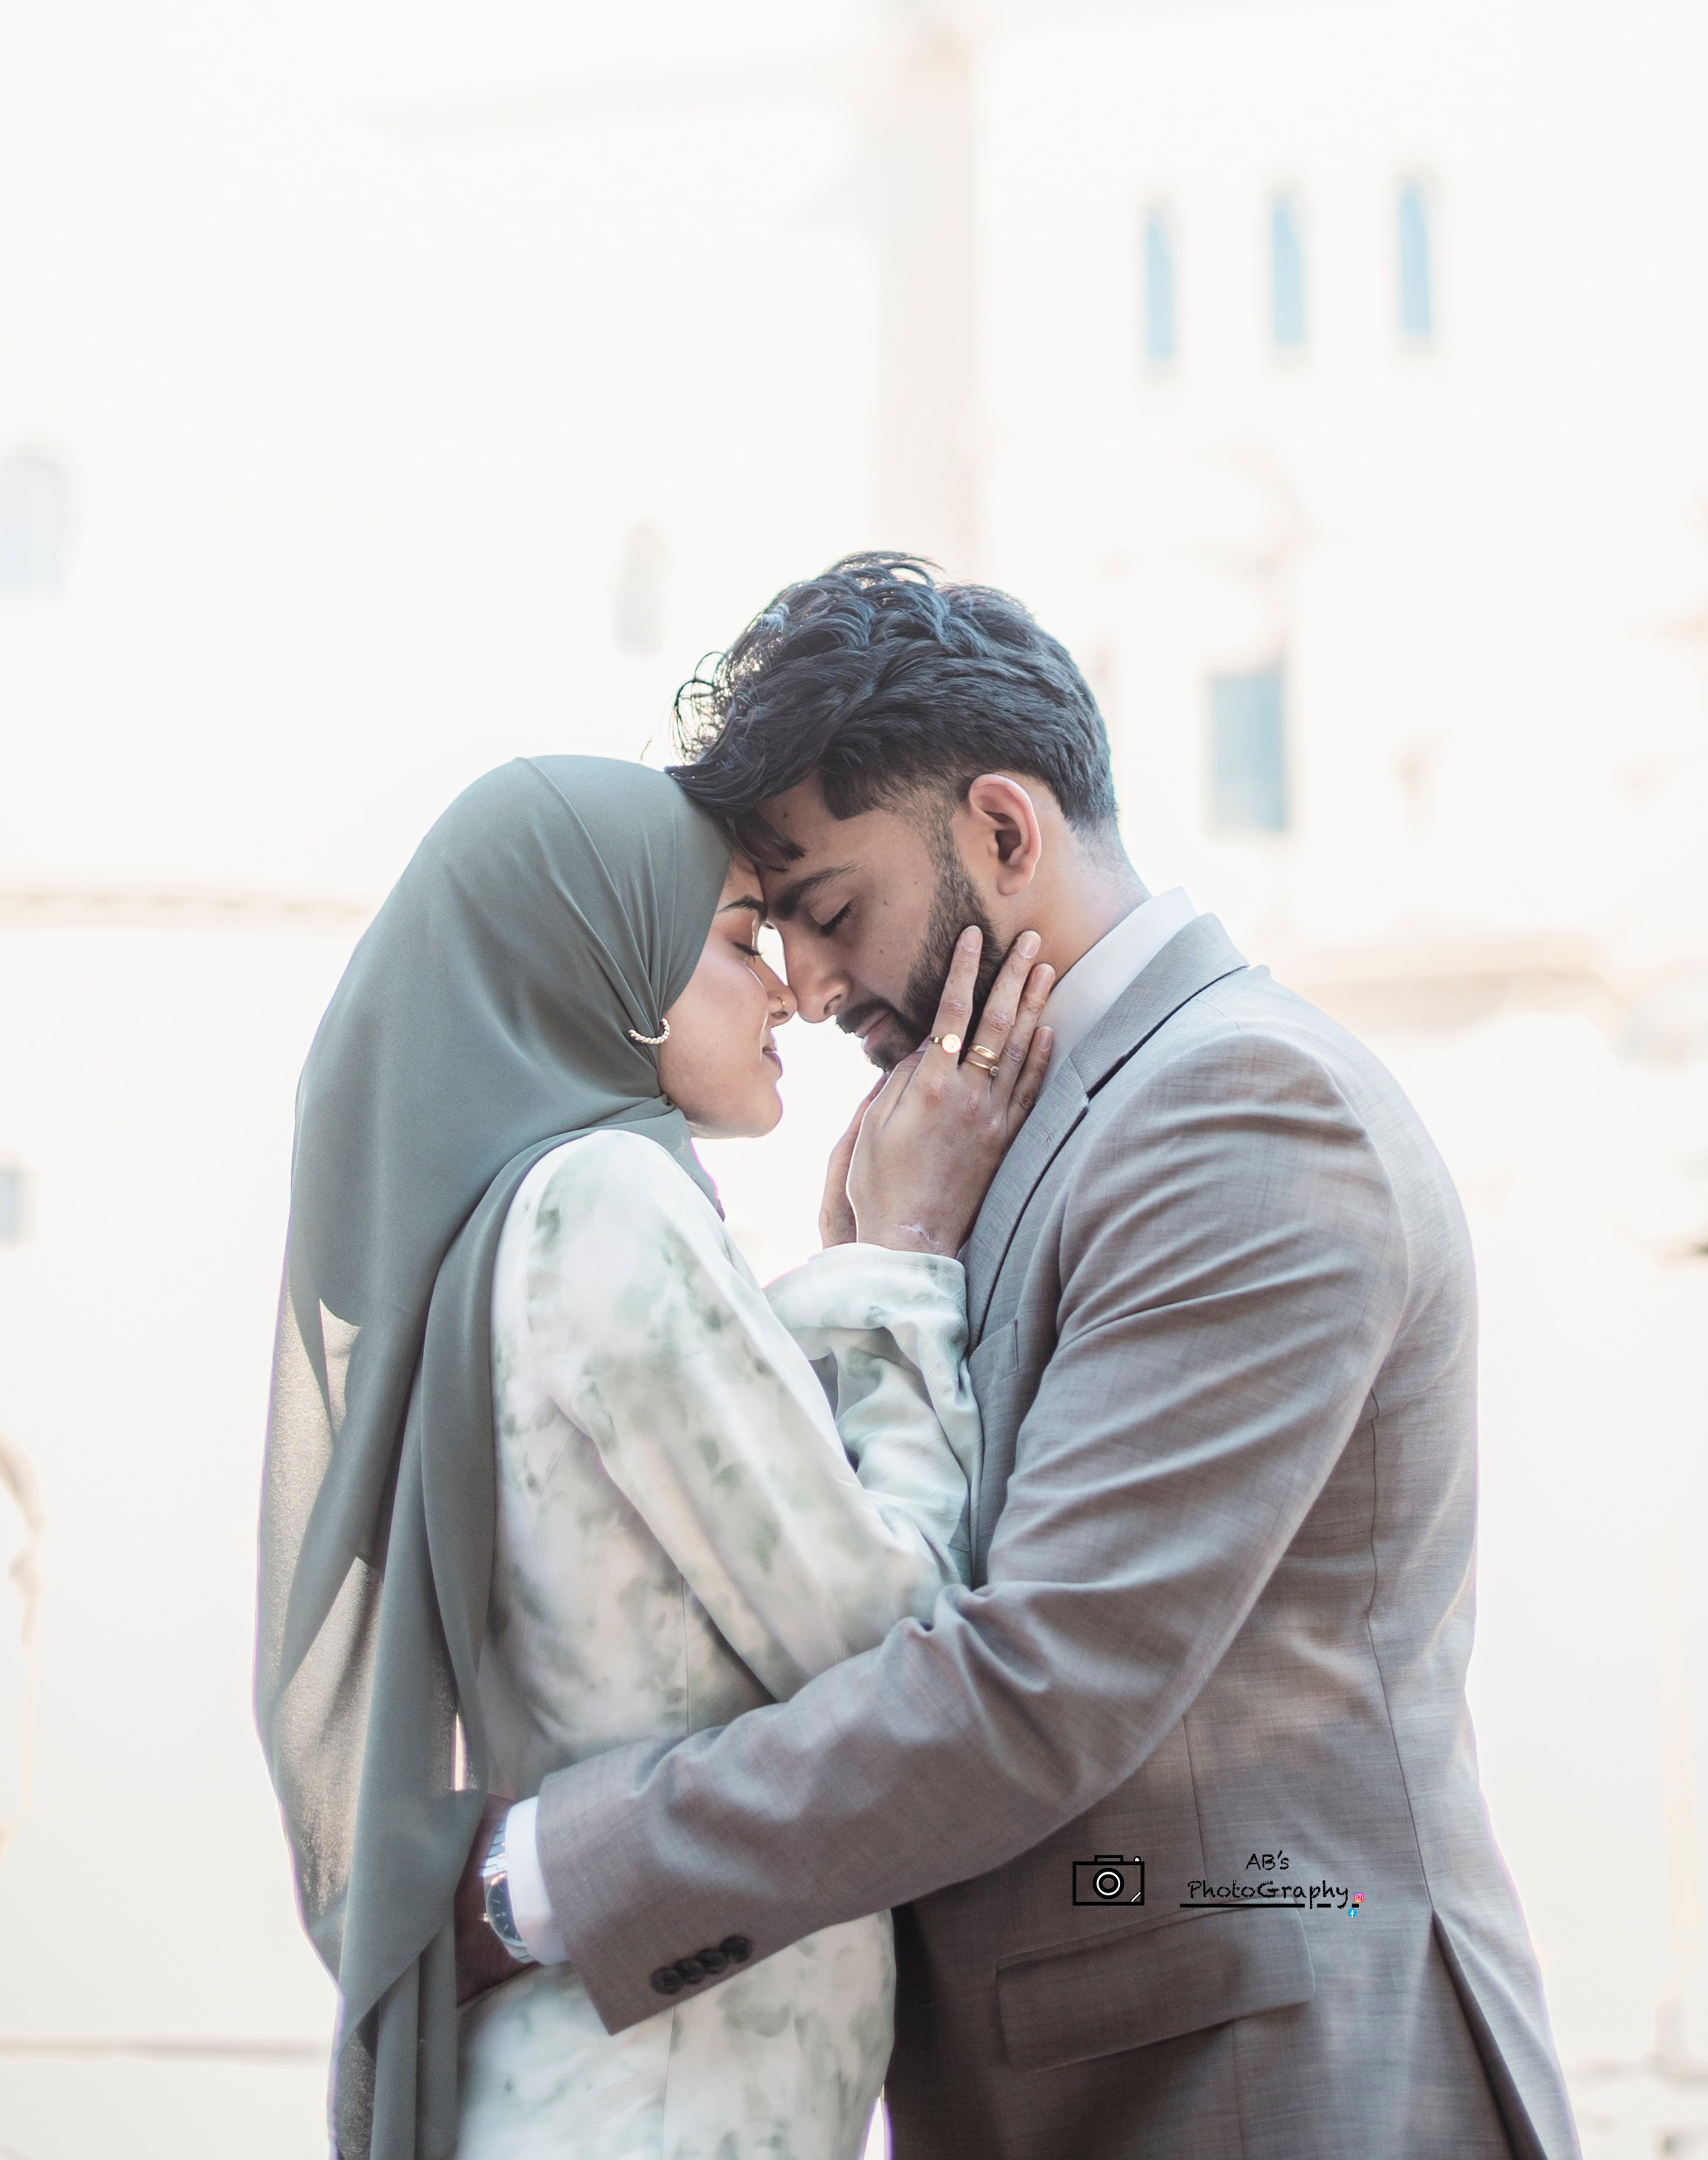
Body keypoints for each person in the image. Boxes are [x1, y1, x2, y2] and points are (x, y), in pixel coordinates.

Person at [472, 557, 1583, 2160]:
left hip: (1266, 2091)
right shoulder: (988, 1133)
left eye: (833, 913)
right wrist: (885, 1265)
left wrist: (544, 1882)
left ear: (1004, 830)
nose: (814, 989)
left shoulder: (1239, 1110)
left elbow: (1038, 1684)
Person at [256, 752, 1053, 2160]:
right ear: (604, 962)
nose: (795, 994)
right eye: (743, 938)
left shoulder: (511, 1240)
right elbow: (887, 1648)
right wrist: (903, 1259)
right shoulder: (600, 1206)